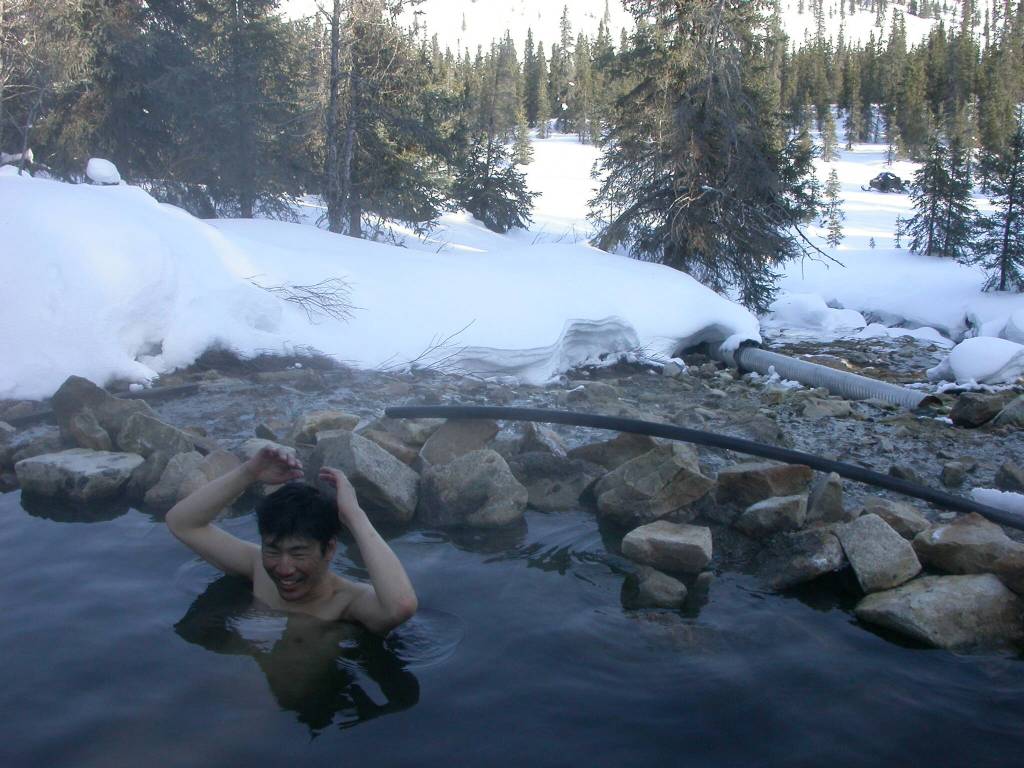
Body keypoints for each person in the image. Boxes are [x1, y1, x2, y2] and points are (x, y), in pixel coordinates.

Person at [166, 445, 418, 635]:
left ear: (329, 549)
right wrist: (248, 472)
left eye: (299, 554)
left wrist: (355, 516)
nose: (284, 569)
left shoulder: (346, 602)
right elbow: (182, 523)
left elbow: (401, 606)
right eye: (273, 551)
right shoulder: (258, 566)